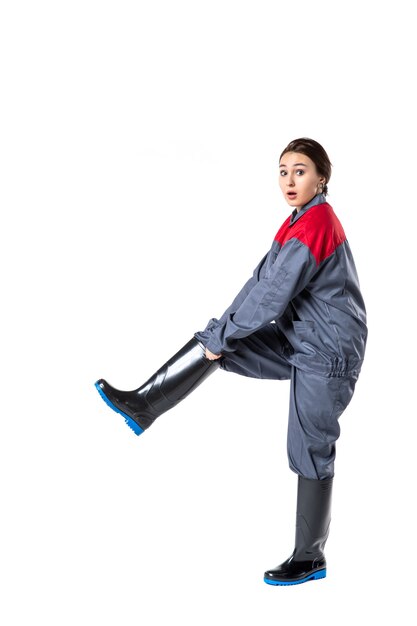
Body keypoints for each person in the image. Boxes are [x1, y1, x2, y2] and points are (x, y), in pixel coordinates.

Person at [95, 137, 367, 586]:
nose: (289, 180)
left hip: (330, 352)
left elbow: (272, 297)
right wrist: (219, 333)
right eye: (282, 171)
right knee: (218, 342)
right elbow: (259, 282)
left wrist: (223, 335)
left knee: (309, 449)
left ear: (322, 178)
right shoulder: (295, 222)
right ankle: (144, 404)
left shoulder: (317, 224)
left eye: (300, 171)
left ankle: (310, 556)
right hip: (302, 337)